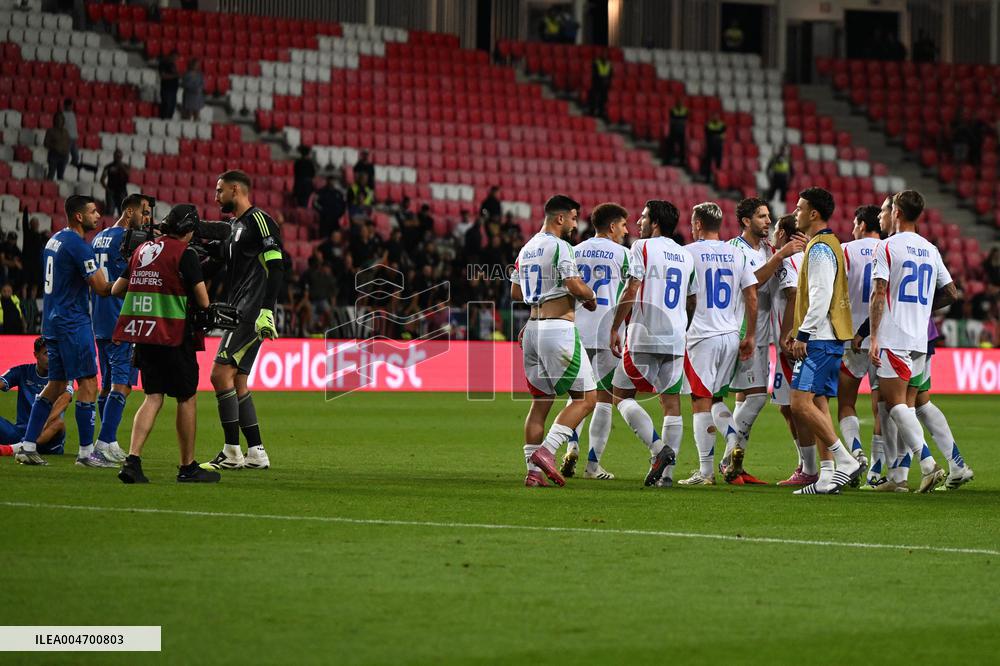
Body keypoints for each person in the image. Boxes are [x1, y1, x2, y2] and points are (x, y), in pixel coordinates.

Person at [112, 204, 219, 483]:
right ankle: (187, 467)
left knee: (153, 397)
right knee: (186, 397)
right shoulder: (186, 253)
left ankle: (132, 461)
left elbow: (116, 289)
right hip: (174, 334)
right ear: (189, 229)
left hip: (144, 334)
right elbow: (203, 301)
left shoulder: (141, 249)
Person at [12, 195, 114, 466]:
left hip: (52, 322)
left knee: (56, 384)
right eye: (93, 212)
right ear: (79, 216)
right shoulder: (79, 246)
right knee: (89, 382)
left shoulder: (54, 240)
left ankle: (27, 446)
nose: (98, 216)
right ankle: (86, 454)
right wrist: (130, 280)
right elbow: (101, 288)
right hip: (73, 323)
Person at [869, 190, 957, 493]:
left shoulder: (887, 246)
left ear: (896, 212)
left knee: (895, 404)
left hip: (895, 335)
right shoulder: (930, 249)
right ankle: (897, 478)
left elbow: (879, 292)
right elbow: (952, 293)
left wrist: (874, 337)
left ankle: (929, 464)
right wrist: (922, 309)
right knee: (888, 404)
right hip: (920, 338)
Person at [510, 195, 597, 487]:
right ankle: (546, 452)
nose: (575, 224)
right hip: (557, 329)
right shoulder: (561, 246)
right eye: (573, 218)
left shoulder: (526, 248)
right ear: (560, 218)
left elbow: (515, 293)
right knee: (586, 398)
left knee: (540, 402)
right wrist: (589, 295)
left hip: (532, 330)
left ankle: (533, 473)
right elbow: (574, 284)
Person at [609, 200, 696, 488]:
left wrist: (615, 326)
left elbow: (632, 287)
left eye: (644, 217)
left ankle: (658, 449)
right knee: (671, 403)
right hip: (675, 337)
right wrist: (681, 327)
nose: (639, 222)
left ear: (655, 222)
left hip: (644, 335)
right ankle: (667, 476)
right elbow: (692, 299)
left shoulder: (642, 247)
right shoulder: (686, 256)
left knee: (621, 395)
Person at [202, 170, 284, 471]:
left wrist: (267, 310)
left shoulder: (259, 221)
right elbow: (216, 259)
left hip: (251, 311)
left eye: (219, 190)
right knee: (237, 380)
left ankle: (231, 452)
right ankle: (256, 452)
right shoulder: (234, 227)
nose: (216, 197)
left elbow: (277, 267)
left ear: (235, 189)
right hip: (239, 309)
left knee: (219, 375)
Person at [724, 197, 806, 484]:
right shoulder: (734, 249)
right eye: (761, 216)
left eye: (769, 216)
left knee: (745, 398)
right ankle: (725, 460)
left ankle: (736, 464)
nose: (768, 221)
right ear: (746, 221)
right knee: (757, 396)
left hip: (760, 336)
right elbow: (752, 282)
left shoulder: (767, 249)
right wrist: (779, 256)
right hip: (742, 333)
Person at [677, 202, 758, 486]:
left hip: (701, 336)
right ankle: (734, 441)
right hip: (730, 336)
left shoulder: (687, 253)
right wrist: (750, 335)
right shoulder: (737, 253)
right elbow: (752, 296)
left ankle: (705, 472)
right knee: (717, 399)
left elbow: (688, 298)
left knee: (700, 401)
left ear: (698, 224)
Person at [786, 187, 860, 495]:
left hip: (819, 339)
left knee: (798, 403)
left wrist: (803, 333)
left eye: (800, 208)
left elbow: (820, 296)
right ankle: (828, 475)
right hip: (830, 338)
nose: (796, 213)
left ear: (813, 213)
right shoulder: (830, 244)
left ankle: (845, 460)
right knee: (818, 403)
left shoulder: (818, 249)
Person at [559, 202, 629, 480]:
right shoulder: (624, 255)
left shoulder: (573, 251)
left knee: (577, 396)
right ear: (612, 226)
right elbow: (631, 293)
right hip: (608, 331)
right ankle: (592, 465)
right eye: (623, 225)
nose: (626, 231)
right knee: (604, 397)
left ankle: (571, 446)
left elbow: (563, 290)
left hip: (575, 329)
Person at [90, 193, 151, 465]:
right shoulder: (128, 240)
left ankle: (110, 441)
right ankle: (103, 444)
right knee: (122, 385)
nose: (146, 219)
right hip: (121, 320)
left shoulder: (98, 237)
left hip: (100, 319)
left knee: (107, 385)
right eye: (144, 213)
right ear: (129, 212)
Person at [837, 205, 882, 486]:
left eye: (855, 223)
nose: (853, 229)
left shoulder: (845, 250)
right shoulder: (889, 249)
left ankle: (856, 453)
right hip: (882, 337)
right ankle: (877, 471)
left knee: (846, 403)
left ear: (863, 225)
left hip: (850, 337)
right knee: (882, 407)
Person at [769, 215, 813, 486]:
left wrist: (788, 334)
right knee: (787, 407)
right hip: (804, 337)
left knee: (799, 407)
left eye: (776, 230)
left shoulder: (787, 260)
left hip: (792, 342)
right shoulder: (805, 257)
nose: (773, 235)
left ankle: (812, 468)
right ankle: (806, 463)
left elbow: (793, 294)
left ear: (784, 233)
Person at [0, 337, 73, 457]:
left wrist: (43, 425)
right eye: (46, 354)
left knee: (58, 423)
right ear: (36, 355)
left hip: (47, 435)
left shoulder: (63, 377)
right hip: (20, 432)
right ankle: (20, 446)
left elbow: (65, 399)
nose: (51, 358)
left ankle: (14, 449)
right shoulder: (23, 371)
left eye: (53, 354)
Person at [314, 174, 346, 239]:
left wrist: (339, 214)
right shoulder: (321, 192)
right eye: (330, 180)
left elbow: (343, 205)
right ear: (327, 181)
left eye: (333, 181)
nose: (332, 182)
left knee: (335, 238)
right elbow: (315, 203)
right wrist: (323, 212)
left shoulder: (338, 193)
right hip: (324, 220)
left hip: (335, 220)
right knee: (324, 238)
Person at [100, 150, 130, 218]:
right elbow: (102, 180)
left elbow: (129, 176)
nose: (118, 157)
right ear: (114, 156)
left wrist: (121, 166)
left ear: (122, 157)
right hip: (111, 191)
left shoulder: (126, 166)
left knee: (122, 212)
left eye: (119, 156)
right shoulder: (108, 167)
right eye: (117, 156)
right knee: (110, 211)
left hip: (122, 191)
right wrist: (107, 189)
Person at [44, 111, 70, 181]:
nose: (59, 121)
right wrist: (55, 147)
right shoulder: (50, 131)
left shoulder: (66, 132)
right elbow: (46, 143)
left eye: (60, 119)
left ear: (63, 121)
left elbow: (68, 143)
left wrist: (66, 152)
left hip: (64, 156)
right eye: (57, 119)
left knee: (61, 176)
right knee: (51, 174)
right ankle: (48, 187)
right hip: (54, 156)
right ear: (54, 120)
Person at [663, 100, 688, 165]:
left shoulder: (685, 111)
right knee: (670, 147)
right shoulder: (672, 110)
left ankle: (681, 162)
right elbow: (671, 120)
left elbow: (685, 120)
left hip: (681, 132)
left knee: (682, 148)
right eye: (678, 103)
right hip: (673, 131)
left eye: (681, 103)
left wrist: (679, 121)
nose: (680, 104)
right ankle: (668, 161)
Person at [589, 50, 612, 119]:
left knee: (603, 100)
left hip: (605, 86)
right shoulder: (596, 62)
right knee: (594, 99)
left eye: (606, 55)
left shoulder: (609, 63)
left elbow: (610, 74)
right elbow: (594, 73)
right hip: (597, 84)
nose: (605, 56)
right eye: (603, 55)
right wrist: (601, 79)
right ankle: (592, 112)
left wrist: (607, 81)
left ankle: (600, 112)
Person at [703, 112, 726, 182]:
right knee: (708, 164)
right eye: (714, 117)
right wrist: (717, 136)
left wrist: (715, 136)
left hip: (718, 147)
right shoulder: (708, 125)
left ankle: (717, 180)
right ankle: (707, 179)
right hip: (710, 147)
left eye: (717, 117)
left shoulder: (722, 125)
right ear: (712, 118)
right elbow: (708, 135)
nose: (716, 118)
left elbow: (723, 136)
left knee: (718, 165)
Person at [158, 51, 179, 119]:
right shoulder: (163, 64)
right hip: (166, 89)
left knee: (172, 107)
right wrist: (175, 76)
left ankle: (169, 121)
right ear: (171, 56)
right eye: (174, 57)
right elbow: (163, 76)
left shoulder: (172, 65)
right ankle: (164, 120)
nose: (175, 59)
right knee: (167, 106)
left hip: (173, 90)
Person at [62, 98, 79, 167]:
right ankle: (63, 167)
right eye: (70, 106)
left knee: (76, 155)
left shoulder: (72, 114)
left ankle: (73, 167)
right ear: (66, 106)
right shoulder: (62, 114)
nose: (71, 107)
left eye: (71, 105)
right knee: (66, 155)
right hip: (67, 138)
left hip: (73, 138)